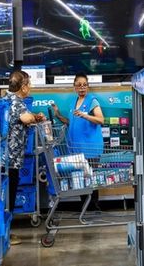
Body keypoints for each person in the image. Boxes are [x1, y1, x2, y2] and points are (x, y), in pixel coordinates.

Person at [2, 70, 46, 245]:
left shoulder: (6, 99)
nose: (30, 87)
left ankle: (5, 232)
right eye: (29, 83)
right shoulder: (16, 102)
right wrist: (37, 117)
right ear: (23, 87)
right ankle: (6, 234)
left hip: (6, 157)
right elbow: (26, 118)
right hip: (11, 159)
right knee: (9, 196)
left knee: (6, 195)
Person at [51, 73, 105, 209]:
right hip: (76, 150)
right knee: (80, 181)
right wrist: (58, 115)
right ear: (74, 87)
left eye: (84, 85)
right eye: (79, 85)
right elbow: (71, 122)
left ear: (88, 86)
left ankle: (93, 209)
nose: (82, 88)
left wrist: (85, 115)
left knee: (90, 181)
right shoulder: (74, 102)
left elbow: (100, 119)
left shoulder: (92, 101)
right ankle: (85, 209)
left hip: (90, 150)